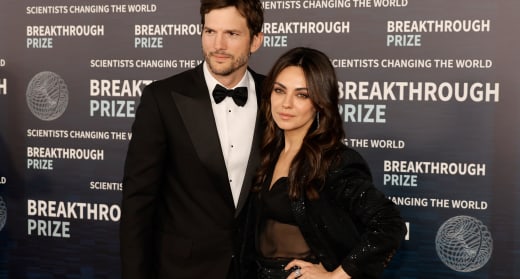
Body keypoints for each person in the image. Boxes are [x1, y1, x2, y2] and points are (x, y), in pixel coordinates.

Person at [119, 0, 265, 278]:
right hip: (183, 268)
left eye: (232, 34)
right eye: (210, 32)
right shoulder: (162, 98)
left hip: (256, 268)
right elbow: (138, 202)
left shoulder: (276, 97)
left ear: (256, 40)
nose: (218, 44)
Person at [246, 47, 407, 279]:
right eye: (279, 91)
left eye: (302, 95)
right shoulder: (267, 152)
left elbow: (389, 224)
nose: (286, 103)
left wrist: (336, 276)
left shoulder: (334, 162)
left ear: (320, 103)